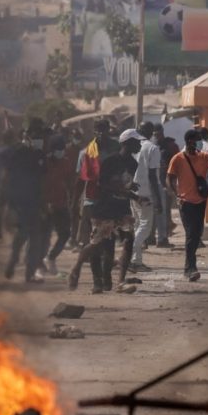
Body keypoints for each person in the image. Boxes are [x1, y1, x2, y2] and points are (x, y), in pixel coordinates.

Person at [68, 129, 146, 293]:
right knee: (97, 245)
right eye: (136, 142)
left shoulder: (133, 163)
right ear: (126, 143)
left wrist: (132, 192)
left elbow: (124, 184)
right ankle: (76, 268)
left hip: (122, 208)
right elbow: (103, 184)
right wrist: (128, 192)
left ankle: (121, 282)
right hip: (104, 208)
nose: (139, 144)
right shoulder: (111, 161)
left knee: (128, 241)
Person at [5, 119, 50, 283]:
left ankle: (24, 268)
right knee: (28, 234)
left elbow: (43, 175)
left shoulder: (37, 154)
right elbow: (9, 175)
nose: (38, 137)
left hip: (32, 199)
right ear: (27, 135)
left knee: (31, 236)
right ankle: (17, 262)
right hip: (23, 198)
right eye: (35, 134)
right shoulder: (19, 152)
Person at [167, 129, 208, 282]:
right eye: (198, 139)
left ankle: (190, 267)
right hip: (185, 202)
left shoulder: (205, 157)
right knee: (191, 234)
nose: (200, 142)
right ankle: (190, 268)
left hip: (200, 201)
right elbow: (170, 178)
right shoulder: (178, 159)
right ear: (189, 141)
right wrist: (176, 195)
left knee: (196, 233)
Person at [75, 119, 118, 247]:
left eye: (104, 130)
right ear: (94, 131)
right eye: (98, 130)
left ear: (108, 130)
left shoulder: (115, 149)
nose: (101, 133)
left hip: (110, 196)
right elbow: (80, 178)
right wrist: (75, 202)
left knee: (107, 232)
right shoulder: (86, 152)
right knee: (88, 232)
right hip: (91, 197)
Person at [130, 121, 162, 272]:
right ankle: (130, 255)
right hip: (146, 193)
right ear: (152, 132)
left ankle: (136, 261)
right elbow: (152, 176)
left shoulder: (134, 147)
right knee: (145, 228)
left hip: (132, 192)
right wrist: (158, 199)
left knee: (137, 225)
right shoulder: (152, 148)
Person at [44, 134, 75, 274]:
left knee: (65, 234)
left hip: (61, 204)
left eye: (62, 149)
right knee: (43, 235)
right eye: (58, 149)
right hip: (45, 205)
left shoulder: (66, 162)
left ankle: (51, 257)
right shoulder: (44, 163)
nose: (60, 151)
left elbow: (70, 181)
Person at [154, 125, 179, 248]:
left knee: (165, 211)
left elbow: (177, 163)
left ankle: (163, 237)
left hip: (166, 182)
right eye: (154, 134)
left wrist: (173, 183)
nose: (156, 136)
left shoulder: (170, 145)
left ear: (162, 133)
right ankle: (158, 237)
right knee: (158, 211)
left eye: (157, 134)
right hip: (154, 183)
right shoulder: (153, 146)